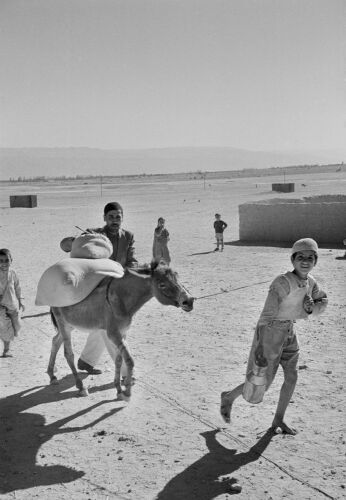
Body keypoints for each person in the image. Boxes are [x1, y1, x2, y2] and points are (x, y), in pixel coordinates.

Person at [220, 238, 328, 435]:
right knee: (263, 381)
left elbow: (321, 299)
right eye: (300, 257)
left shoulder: (310, 282)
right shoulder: (282, 282)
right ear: (292, 259)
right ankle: (229, 397)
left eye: (310, 258)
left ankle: (278, 419)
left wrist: (313, 307)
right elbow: (267, 315)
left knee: (292, 376)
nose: (305, 261)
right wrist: (261, 345)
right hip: (271, 332)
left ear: (316, 261)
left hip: (289, 331)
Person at [60, 201, 138, 374]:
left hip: (118, 289)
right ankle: (126, 373)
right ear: (104, 218)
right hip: (97, 290)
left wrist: (132, 273)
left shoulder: (128, 236)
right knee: (111, 329)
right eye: (111, 217)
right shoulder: (94, 234)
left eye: (118, 217)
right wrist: (76, 240)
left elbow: (132, 260)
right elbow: (65, 246)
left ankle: (87, 361)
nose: (115, 220)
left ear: (122, 218)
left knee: (103, 327)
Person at [0, 249, 25, 357]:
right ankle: (6, 350)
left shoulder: (13, 272)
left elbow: (17, 287)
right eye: (1, 260)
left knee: (17, 326)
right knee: (6, 328)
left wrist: (21, 300)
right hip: (1, 306)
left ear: (11, 260)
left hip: (12, 304)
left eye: (7, 260)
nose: (4, 263)